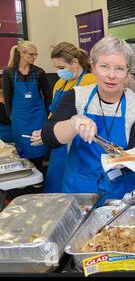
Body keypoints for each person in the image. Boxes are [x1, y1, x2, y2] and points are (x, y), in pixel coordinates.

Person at [41, 36, 135, 204]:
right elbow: (49, 137)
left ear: (128, 72)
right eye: (104, 66)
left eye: (120, 68)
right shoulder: (77, 97)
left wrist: (117, 159)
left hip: (121, 194)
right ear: (93, 67)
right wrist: (73, 124)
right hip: (80, 192)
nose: (111, 75)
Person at [44, 42, 96, 193]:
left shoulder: (90, 81)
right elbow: (53, 113)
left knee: (74, 188)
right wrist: (46, 131)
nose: (59, 72)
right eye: (56, 68)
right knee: (55, 184)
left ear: (74, 62)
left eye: (61, 68)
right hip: (59, 142)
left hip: (78, 143)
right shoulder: (60, 83)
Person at [3, 41, 51, 172]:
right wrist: (10, 114)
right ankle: (26, 171)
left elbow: (47, 94)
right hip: (19, 116)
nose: (34, 57)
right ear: (22, 53)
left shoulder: (39, 72)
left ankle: (39, 171)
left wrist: (47, 113)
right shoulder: (9, 73)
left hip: (38, 115)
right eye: (32, 54)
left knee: (38, 143)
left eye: (36, 54)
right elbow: (7, 96)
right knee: (22, 144)